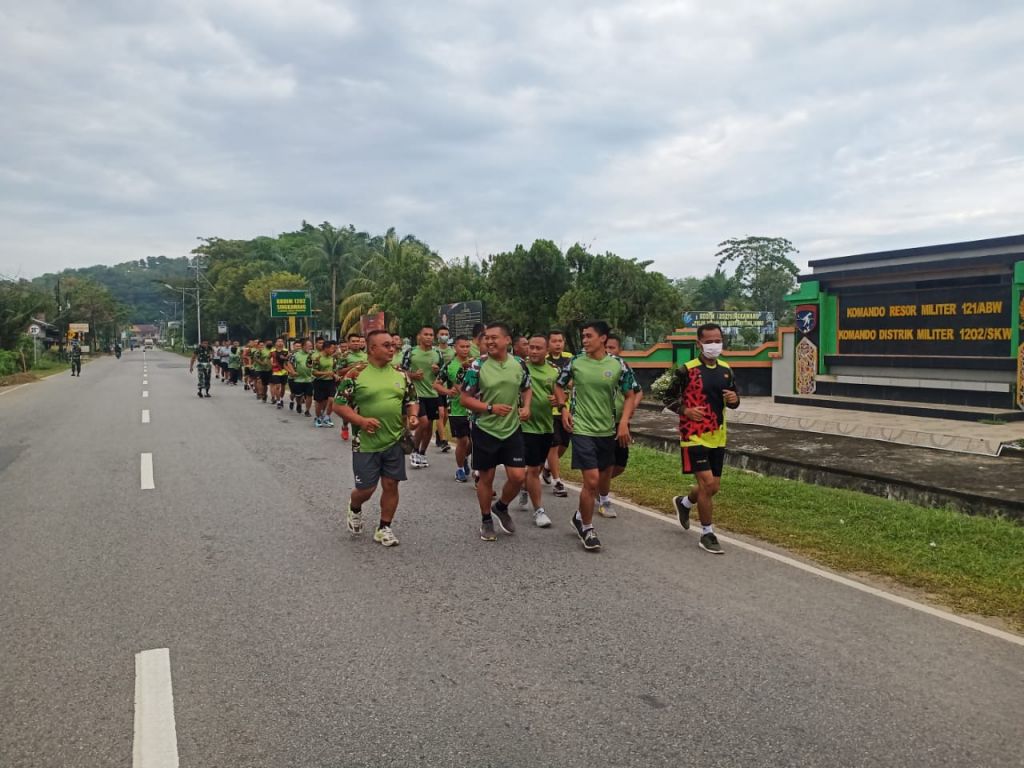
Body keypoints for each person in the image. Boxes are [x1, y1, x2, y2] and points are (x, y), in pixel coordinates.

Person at [554, 320, 639, 551]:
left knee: (603, 479)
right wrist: (563, 409)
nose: (584, 340)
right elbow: (558, 385)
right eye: (583, 336)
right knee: (590, 481)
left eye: (589, 336)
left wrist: (623, 424)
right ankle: (588, 528)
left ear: (602, 338)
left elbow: (630, 394)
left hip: (608, 431)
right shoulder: (576, 362)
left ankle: (579, 517)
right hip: (581, 428)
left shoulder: (618, 365)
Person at [333, 330, 420, 548]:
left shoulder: (400, 375)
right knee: (366, 490)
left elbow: (411, 400)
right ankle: (354, 507)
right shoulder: (355, 374)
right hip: (366, 443)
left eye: (393, 345)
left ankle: (384, 528)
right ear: (372, 349)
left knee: (391, 484)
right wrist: (361, 421)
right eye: (386, 345)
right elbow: (339, 405)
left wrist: (413, 416)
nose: (392, 349)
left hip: (394, 440)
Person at [665, 323, 740, 555]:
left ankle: (685, 503)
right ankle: (707, 533)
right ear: (699, 344)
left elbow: (735, 401)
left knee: (713, 487)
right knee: (707, 484)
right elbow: (666, 397)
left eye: (717, 340)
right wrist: (686, 411)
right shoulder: (686, 370)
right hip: (693, 434)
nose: (714, 345)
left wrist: (734, 398)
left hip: (718, 435)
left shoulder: (727, 369)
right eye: (708, 342)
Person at [459, 322, 532, 542]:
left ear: (507, 340)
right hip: (485, 428)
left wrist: (526, 407)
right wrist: (490, 408)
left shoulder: (519, 364)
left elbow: (527, 387)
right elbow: (465, 399)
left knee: (519, 476)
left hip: (512, 429)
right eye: (486, 337)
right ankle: (486, 520)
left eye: (494, 337)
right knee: (486, 478)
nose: (489, 341)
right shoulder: (477, 366)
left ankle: (501, 507)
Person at [597, 334, 643, 518]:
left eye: (612, 348)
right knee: (606, 463)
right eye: (606, 347)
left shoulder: (622, 368)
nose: (609, 351)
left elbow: (638, 392)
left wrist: (630, 409)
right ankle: (603, 498)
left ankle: (597, 487)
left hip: (621, 423)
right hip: (601, 423)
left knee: (620, 464)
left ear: (620, 350)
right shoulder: (595, 367)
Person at [520, 334, 558, 528]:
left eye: (538, 348)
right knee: (533, 469)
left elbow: (561, 395)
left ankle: (526, 488)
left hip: (546, 426)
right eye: (531, 347)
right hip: (524, 426)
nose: (533, 351)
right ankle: (539, 511)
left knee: (537, 468)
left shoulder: (554, 372)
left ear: (547, 351)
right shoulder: (520, 368)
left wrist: (558, 400)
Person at [401, 325, 444, 468]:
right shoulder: (411, 352)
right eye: (426, 334)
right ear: (419, 336)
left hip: (432, 393)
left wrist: (438, 371)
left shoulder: (438, 353)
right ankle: (414, 449)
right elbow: (402, 372)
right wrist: (413, 375)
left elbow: (443, 375)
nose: (429, 337)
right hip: (416, 394)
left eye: (431, 335)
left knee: (429, 427)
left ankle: (422, 453)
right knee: (423, 422)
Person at [436, 334, 474, 482]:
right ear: (455, 348)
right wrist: (447, 391)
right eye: (462, 346)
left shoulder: (475, 364)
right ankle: (459, 469)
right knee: (463, 441)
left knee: (472, 442)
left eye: (467, 346)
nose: (465, 349)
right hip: (457, 409)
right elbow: (436, 384)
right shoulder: (450, 365)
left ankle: (464, 457)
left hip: (474, 409)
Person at [543, 329, 574, 497]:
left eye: (560, 341)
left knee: (563, 445)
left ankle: (547, 467)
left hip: (566, 409)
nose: (557, 344)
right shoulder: (543, 360)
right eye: (554, 341)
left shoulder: (570, 358)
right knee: (554, 445)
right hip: (548, 410)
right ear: (548, 343)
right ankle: (557, 482)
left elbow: (573, 379)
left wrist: (567, 389)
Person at [337, 333, 368, 440]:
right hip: (349, 387)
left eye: (358, 341)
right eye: (353, 341)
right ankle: (345, 426)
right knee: (348, 411)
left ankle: (359, 433)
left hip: (364, 386)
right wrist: (353, 367)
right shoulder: (344, 356)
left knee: (361, 410)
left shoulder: (366, 355)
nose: (356, 343)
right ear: (349, 343)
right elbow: (339, 372)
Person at [434, 326, 455, 453]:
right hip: (436, 386)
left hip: (449, 387)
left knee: (446, 414)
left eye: (446, 334)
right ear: (437, 335)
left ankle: (438, 432)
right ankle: (443, 440)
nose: (444, 336)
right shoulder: (434, 351)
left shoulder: (452, 352)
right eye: (442, 333)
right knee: (440, 413)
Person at [311, 339, 338, 427]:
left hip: (330, 381)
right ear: (326, 348)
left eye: (334, 349)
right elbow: (314, 372)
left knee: (331, 400)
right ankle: (318, 418)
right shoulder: (317, 358)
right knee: (320, 402)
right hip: (319, 382)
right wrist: (326, 373)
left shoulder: (332, 358)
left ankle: (327, 417)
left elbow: (333, 370)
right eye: (332, 348)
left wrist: (335, 375)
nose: (333, 350)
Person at [286, 338, 314, 417]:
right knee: (298, 395)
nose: (310, 348)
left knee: (309, 395)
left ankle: (307, 410)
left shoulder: (313, 354)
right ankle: (298, 404)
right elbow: (289, 363)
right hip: (298, 379)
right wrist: (292, 372)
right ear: (303, 346)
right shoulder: (295, 355)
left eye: (311, 346)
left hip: (309, 379)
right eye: (308, 346)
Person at [269, 337, 290, 408]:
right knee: (277, 386)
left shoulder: (286, 351)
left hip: (284, 371)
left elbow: (288, 361)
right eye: (278, 341)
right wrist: (271, 363)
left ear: (283, 343)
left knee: (283, 386)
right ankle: (278, 401)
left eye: (281, 341)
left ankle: (281, 399)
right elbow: (269, 359)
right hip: (275, 371)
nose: (280, 343)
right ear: (276, 343)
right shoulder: (272, 351)